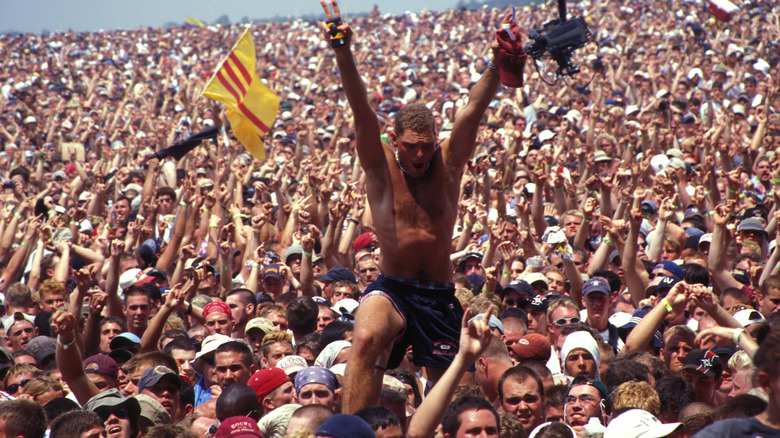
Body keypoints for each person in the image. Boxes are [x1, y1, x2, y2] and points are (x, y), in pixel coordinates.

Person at [321, 0, 502, 413]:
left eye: (426, 146)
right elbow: (362, 112)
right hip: (394, 287)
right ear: (394, 141)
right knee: (365, 339)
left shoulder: (448, 163)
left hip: (439, 293)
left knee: (451, 389)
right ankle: (352, 428)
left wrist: (496, 63)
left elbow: (473, 111)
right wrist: (342, 52)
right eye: (410, 147)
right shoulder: (381, 166)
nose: (420, 156)